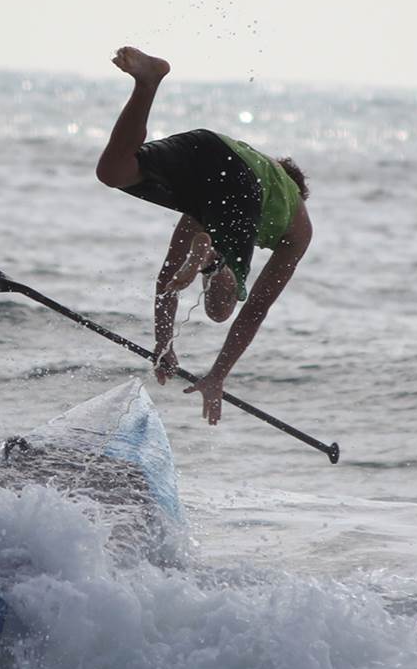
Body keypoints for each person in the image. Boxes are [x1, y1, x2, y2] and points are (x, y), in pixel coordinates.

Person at [94, 47, 312, 425]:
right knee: (220, 309)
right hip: (238, 181)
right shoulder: (297, 225)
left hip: (208, 145)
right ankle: (211, 261)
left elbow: (168, 276)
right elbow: (256, 309)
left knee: (114, 171)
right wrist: (217, 376)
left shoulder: (218, 199)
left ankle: (148, 82)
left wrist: (164, 343)